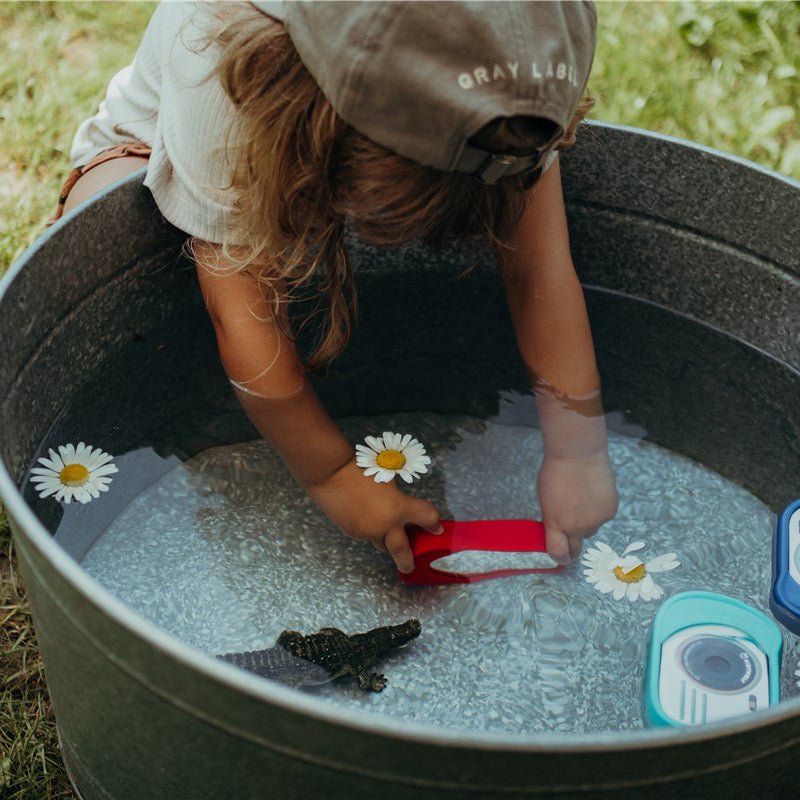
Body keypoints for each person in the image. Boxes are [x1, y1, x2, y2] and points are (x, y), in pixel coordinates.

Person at [56, 1, 618, 574]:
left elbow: (539, 270)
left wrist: (579, 449)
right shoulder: (216, 54)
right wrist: (333, 476)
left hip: (340, 131)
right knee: (103, 223)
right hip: (175, 147)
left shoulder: (515, 78)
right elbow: (239, 314)